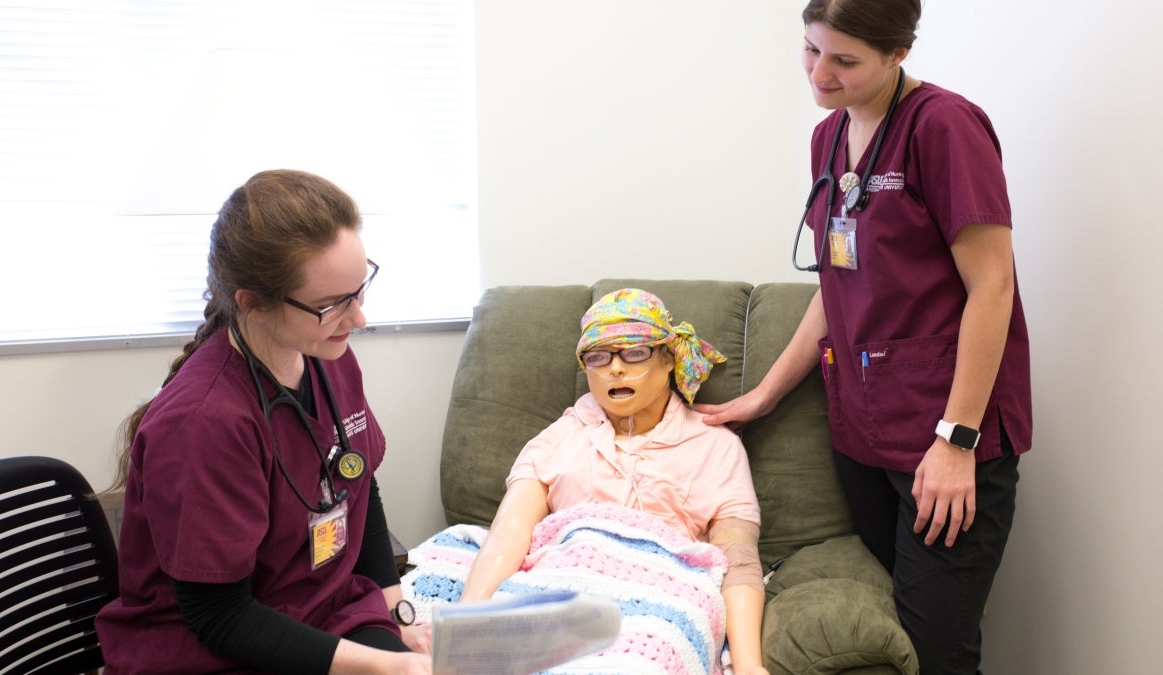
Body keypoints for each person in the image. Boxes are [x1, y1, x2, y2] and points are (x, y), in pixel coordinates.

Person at [695, 2, 1032, 674]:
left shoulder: (943, 128)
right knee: (892, 633)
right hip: (864, 429)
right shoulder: (829, 137)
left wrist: (957, 437)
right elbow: (837, 283)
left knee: (936, 649)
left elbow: (993, 288)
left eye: (844, 61)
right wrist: (763, 395)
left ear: (898, 53)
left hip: (945, 434)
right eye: (811, 49)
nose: (820, 73)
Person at [95, 169, 433, 675]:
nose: (358, 319)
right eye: (331, 304)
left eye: (359, 290)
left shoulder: (328, 353)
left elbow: (356, 482)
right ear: (252, 303)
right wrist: (386, 666)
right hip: (215, 652)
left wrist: (396, 613)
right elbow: (219, 618)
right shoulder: (204, 423)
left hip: (324, 613)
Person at [458, 288, 770, 675]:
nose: (615, 369)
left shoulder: (716, 447)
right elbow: (509, 532)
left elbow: (739, 561)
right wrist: (468, 622)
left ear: (668, 358)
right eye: (598, 357)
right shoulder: (556, 440)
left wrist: (749, 664)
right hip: (563, 586)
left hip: (663, 601)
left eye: (634, 352)